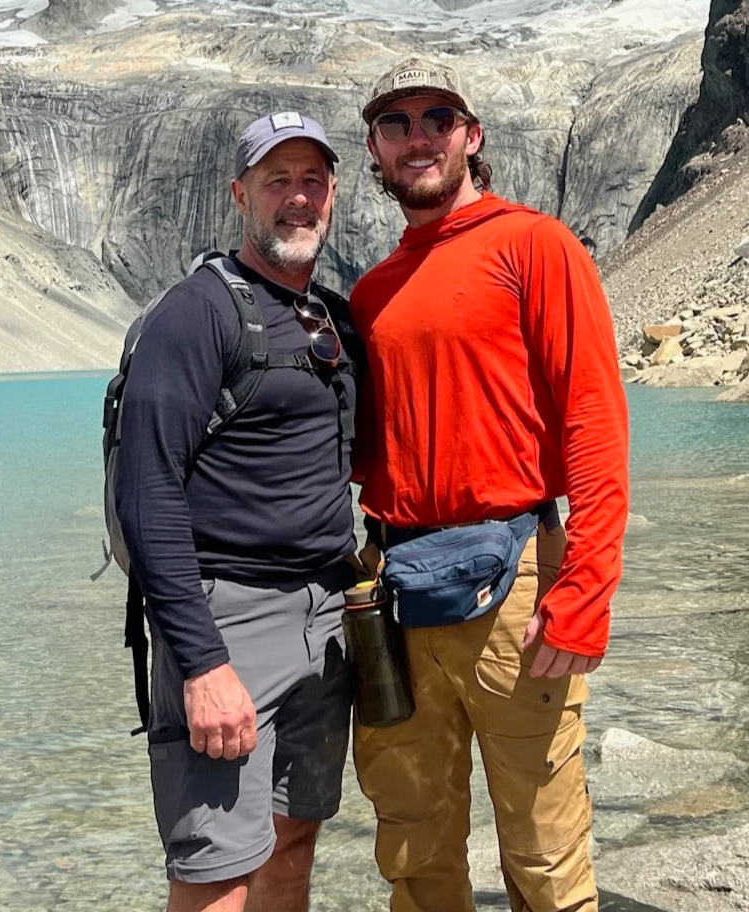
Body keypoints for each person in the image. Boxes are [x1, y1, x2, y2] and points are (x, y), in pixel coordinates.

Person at [348, 58, 630, 912]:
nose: (418, 137)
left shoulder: (534, 245)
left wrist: (585, 590)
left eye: (438, 119)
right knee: (413, 847)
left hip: (514, 585)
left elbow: (593, 421)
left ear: (471, 137)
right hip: (393, 593)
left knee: (544, 856)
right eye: (396, 124)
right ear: (374, 149)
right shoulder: (371, 291)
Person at [114, 111, 359, 912]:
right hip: (229, 621)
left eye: (312, 180)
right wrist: (202, 664)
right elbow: (146, 491)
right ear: (239, 195)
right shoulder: (195, 313)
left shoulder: (330, 317)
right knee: (215, 871)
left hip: (325, 616)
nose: (297, 197)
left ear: (333, 195)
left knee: (292, 841)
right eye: (276, 180)